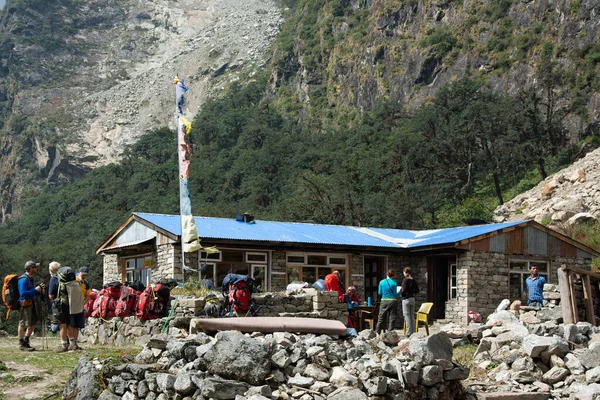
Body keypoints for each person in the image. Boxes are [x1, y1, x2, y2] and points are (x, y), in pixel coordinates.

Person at [18, 261, 44, 351]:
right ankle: (21, 343)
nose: (37, 269)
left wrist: (39, 291)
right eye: (35, 267)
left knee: (33, 323)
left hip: (31, 302)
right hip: (25, 304)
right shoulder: (24, 279)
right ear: (31, 268)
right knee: (23, 323)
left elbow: (32, 291)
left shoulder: (30, 278)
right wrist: (35, 290)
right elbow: (22, 293)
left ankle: (26, 340)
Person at [69, 266, 92, 350]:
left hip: (79, 306)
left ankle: (75, 343)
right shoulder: (72, 280)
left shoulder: (86, 283)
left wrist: (84, 303)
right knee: (70, 324)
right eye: (83, 274)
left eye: (86, 275)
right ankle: (70, 342)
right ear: (79, 272)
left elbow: (88, 295)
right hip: (71, 305)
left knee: (77, 325)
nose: (84, 276)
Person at [376, 269, 399, 334]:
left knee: (381, 317)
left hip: (384, 301)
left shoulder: (381, 282)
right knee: (392, 317)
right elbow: (395, 294)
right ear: (393, 275)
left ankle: (377, 332)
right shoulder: (394, 283)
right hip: (393, 301)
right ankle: (390, 332)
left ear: (387, 274)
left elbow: (379, 293)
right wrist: (399, 292)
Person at [400, 267, 419, 336]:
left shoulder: (405, 280)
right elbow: (417, 290)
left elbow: (404, 290)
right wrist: (412, 292)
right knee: (412, 316)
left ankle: (408, 333)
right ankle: (413, 332)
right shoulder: (413, 280)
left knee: (406, 316)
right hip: (412, 299)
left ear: (406, 272)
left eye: (404, 272)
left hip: (406, 299)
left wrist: (401, 294)